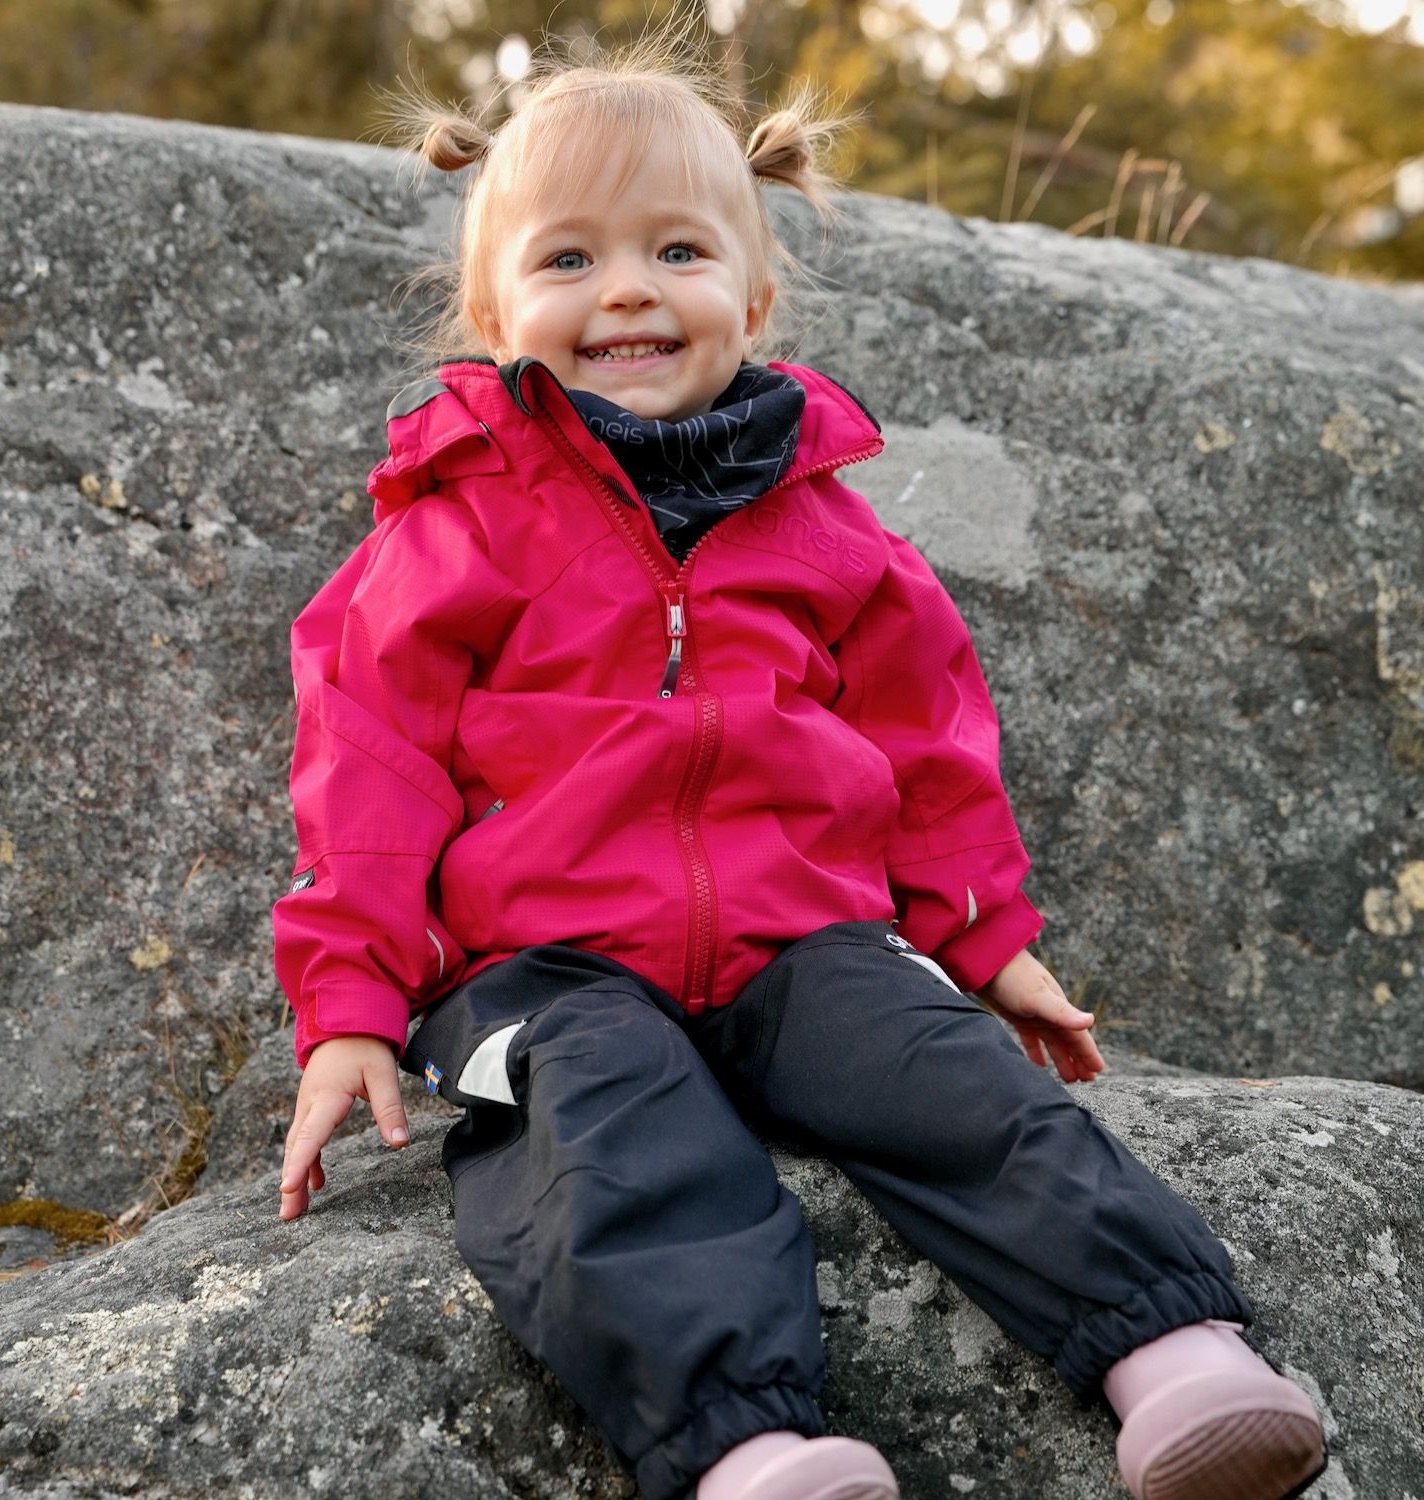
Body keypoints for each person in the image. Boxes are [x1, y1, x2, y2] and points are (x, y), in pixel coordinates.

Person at [273, 27, 1327, 1500]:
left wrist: (983, 937)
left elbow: (927, 733)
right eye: (568, 261)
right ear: (490, 310)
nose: (628, 288)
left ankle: (1175, 1353)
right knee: (604, 1147)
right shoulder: (454, 524)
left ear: (753, 293)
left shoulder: (827, 527)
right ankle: (749, 1447)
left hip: (799, 937)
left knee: (962, 1087)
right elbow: (367, 768)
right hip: (541, 968)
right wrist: (352, 1007)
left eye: (678, 250)